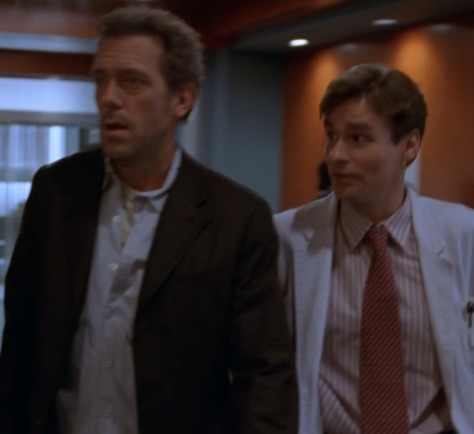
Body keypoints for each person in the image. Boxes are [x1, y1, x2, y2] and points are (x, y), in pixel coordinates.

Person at [0, 6, 297, 434]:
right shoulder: (58, 192)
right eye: (101, 80)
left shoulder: (235, 217)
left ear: (182, 99)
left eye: (132, 81)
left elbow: (264, 375)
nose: (109, 97)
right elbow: (20, 338)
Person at [274, 63, 474, 434]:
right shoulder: (287, 238)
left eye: (358, 138)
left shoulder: (468, 235)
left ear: (409, 145)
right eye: (331, 136)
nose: (336, 155)